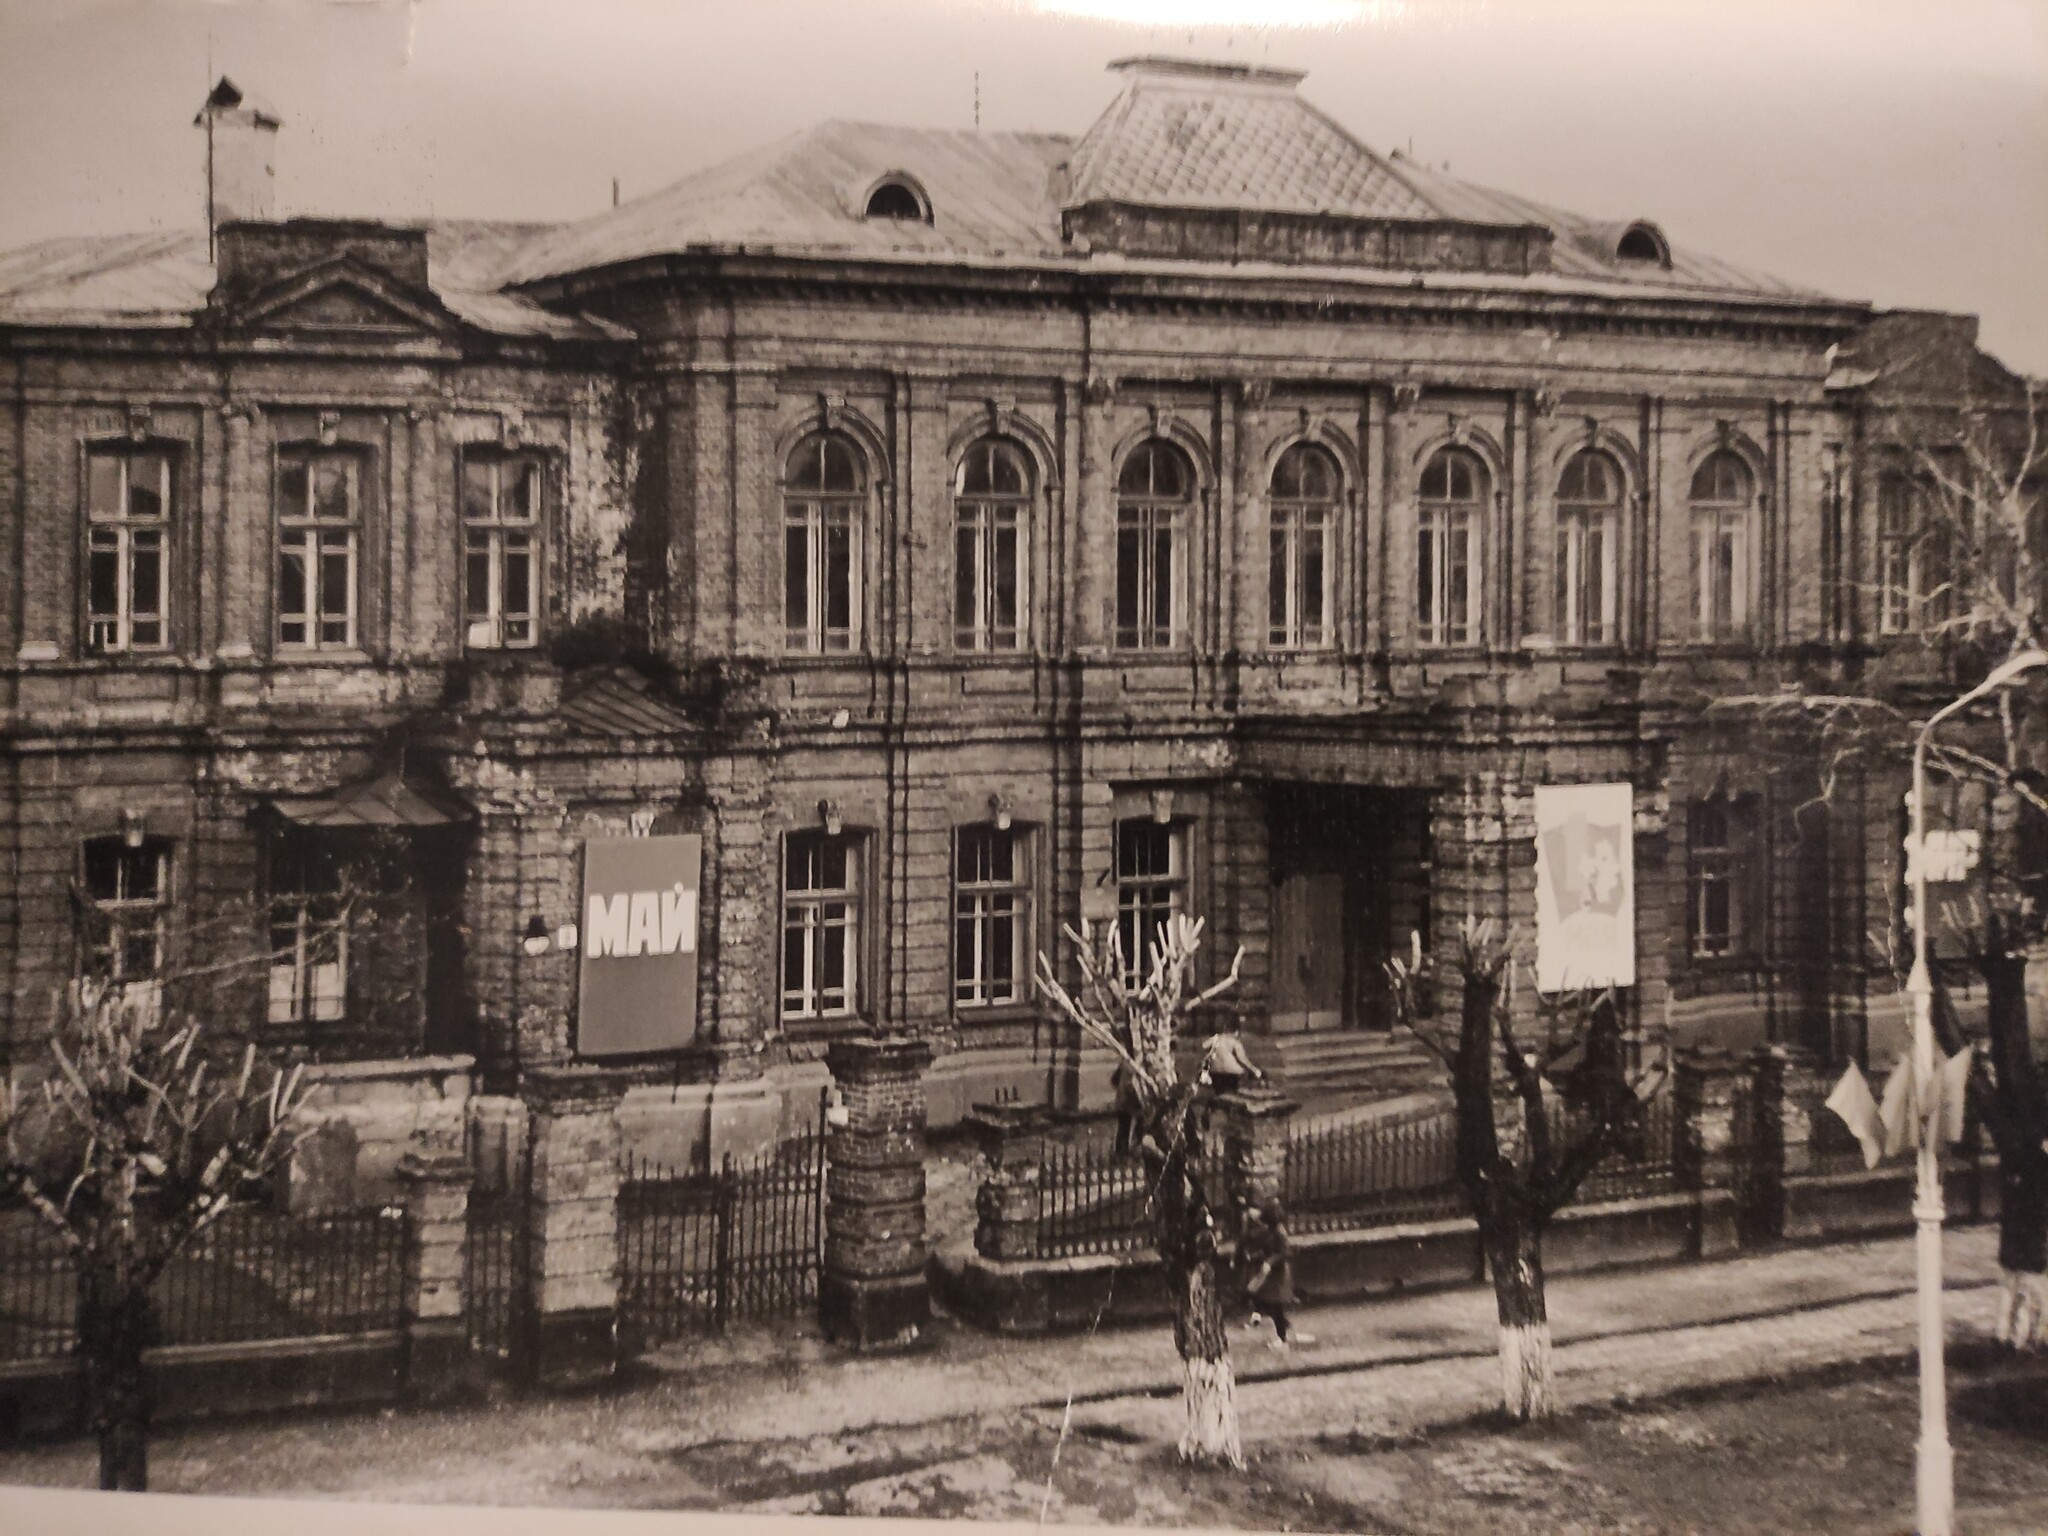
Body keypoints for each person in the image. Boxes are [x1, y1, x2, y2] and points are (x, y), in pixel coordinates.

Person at [1238, 1200, 1313, 1350]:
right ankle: (1285, 1329)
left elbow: (1284, 1252)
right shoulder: (1271, 1231)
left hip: (1277, 1274)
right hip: (1272, 1274)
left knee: (1274, 1304)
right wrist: (1256, 1257)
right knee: (1267, 1301)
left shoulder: (1278, 1232)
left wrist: (1269, 1262)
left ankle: (1282, 1337)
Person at [1200, 1030, 1264, 1095]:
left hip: (1215, 1071)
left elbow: (1203, 1046)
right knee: (1231, 1093)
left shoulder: (1215, 1039)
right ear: (1236, 1032)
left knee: (1219, 1093)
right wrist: (1254, 1069)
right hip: (1232, 1073)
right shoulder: (1235, 1042)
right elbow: (1242, 1059)